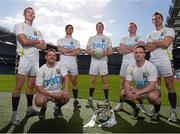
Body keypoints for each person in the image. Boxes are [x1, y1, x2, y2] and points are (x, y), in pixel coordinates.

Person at [11, 7, 46, 125]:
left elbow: (44, 46)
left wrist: (36, 43)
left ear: (34, 16)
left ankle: (29, 109)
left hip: (35, 60)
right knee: (18, 86)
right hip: (22, 58)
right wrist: (37, 42)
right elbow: (24, 42)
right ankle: (14, 114)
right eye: (28, 12)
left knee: (31, 86)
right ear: (24, 14)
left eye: (32, 13)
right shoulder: (19, 26)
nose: (31, 14)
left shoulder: (38, 31)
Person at [146, 12, 177, 122]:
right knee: (155, 88)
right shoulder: (150, 34)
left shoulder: (169, 30)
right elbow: (149, 48)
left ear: (162, 19)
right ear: (152, 21)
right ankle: (157, 110)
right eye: (154, 19)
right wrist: (160, 43)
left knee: (170, 86)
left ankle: (173, 112)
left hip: (165, 62)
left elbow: (166, 44)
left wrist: (154, 43)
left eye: (159, 18)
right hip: (153, 62)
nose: (157, 20)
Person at [121, 45, 161, 123]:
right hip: (139, 90)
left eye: (140, 52)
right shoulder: (130, 67)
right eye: (136, 52)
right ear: (133, 54)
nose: (138, 54)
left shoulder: (150, 66)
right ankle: (136, 109)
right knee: (123, 93)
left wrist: (138, 93)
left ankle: (156, 112)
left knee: (153, 97)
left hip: (151, 90)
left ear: (144, 54)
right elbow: (127, 83)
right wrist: (129, 92)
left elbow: (152, 86)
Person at [114, 22, 147, 113]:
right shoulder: (124, 38)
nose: (131, 28)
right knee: (123, 84)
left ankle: (141, 104)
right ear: (128, 29)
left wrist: (127, 49)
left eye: (133, 26)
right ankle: (120, 104)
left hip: (137, 62)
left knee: (139, 85)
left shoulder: (140, 37)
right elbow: (120, 50)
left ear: (136, 28)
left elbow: (140, 48)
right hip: (125, 63)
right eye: (130, 26)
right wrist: (133, 49)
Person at [35, 49, 70, 119]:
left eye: (54, 55)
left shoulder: (60, 65)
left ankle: (57, 107)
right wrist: (52, 95)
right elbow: (38, 87)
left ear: (56, 57)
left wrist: (65, 90)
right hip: (45, 93)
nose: (52, 57)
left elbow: (66, 77)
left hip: (57, 91)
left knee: (66, 97)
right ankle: (44, 107)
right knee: (39, 102)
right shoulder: (41, 70)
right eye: (50, 55)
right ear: (46, 57)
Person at [86, 22, 113, 107]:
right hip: (94, 61)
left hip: (103, 61)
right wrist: (93, 53)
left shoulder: (107, 38)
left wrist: (103, 53)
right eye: (98, 27)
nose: (99, 28)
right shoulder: (91, 38)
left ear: (103, 28)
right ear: (96, 28)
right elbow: (87, 50)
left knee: (105, 81)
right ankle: (90, 99)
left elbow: (111, 51)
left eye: (101, 27)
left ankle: (106, 100)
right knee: (92, 80)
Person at [57, 24, 81, 109]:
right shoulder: (60, 40)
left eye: (71, 28)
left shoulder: (76, 41)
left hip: (73, 64)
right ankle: (58, 102)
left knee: (74, 82)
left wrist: (66, 52)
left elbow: (78, 52)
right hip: (63, 64)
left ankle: (75, 100)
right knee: (61, 82)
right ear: (65, 30)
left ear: (72, 30)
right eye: (68, 28)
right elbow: (60, 50)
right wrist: (72, 50)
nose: (69, 29)